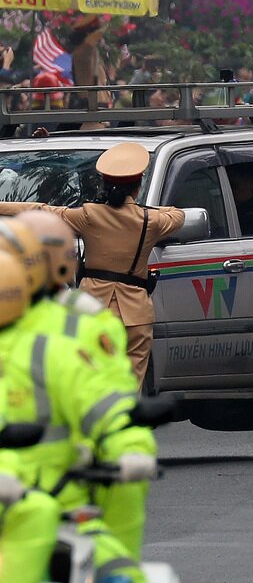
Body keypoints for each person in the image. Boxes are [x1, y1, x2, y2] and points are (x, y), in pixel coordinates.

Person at [0, 249, 158, 583]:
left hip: (54, 501)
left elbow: (104, 404)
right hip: (28, 506)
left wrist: (130, 447)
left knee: (118, 569)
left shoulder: (51, 348)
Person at [0, 142, 185, 383]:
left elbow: (41, 209)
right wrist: (136, 208)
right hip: (136, 315)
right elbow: (177, 215)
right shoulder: (150, 220)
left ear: (105, 185)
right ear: (138, 187)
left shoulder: (89, 215)